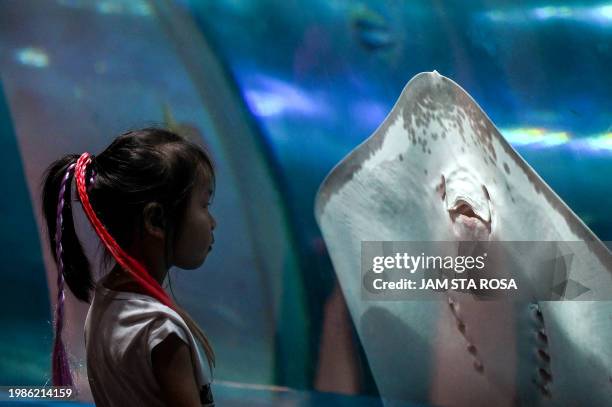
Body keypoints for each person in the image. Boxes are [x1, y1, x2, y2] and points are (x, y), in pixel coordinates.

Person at [41, 128, 217, 406]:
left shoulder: (105, 303)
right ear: (156, 220)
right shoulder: (161, 331)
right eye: (205, 205)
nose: (212, 221)